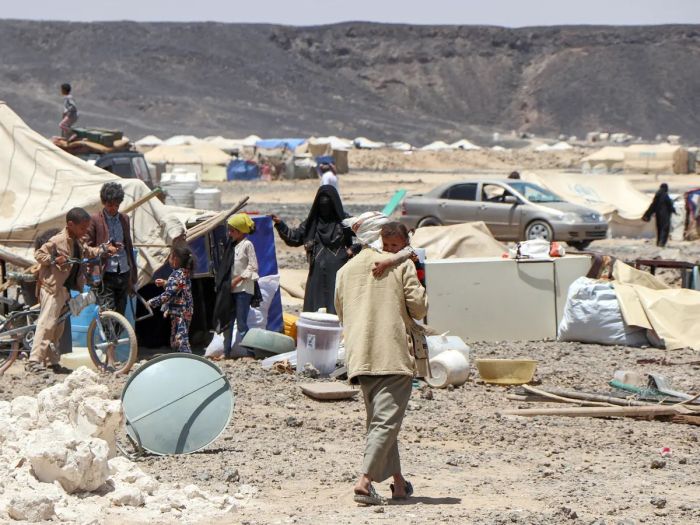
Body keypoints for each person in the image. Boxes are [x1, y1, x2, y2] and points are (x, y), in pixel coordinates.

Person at [334, 218, 428, 506]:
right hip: (392, 353)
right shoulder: (401, 265)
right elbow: (419, 308)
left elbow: (341, 312)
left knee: (382, 421)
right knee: (386, 423)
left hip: (360, 356)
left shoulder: (345, 270)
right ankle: (364, 482)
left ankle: (399, 484)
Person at [27, 208, 117, 373]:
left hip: (65, 288)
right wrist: (54, 259)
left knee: (58, 327)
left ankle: (52, 362)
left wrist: (104, 249)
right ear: (70, 224)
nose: (85, 231)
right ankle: (34, 361)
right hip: (52, 288)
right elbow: (39, 255)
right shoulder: (58, 240)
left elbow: (89, 252)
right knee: (47, 324)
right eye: (82, 228)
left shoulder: (78, 241)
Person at [271, 185, 353, 314]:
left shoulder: (345, 222)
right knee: (315, 310)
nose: (325, 209)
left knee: (337, 308)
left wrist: (352, 250)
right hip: (316, 273)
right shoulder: (311, 223)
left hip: (338, 271)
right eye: (322, 205)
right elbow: (294, 238)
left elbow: (365, 237)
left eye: (327, 205)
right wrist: (280, 224)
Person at [86, 182, 138, 318]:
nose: (113, 208)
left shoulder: (124, 219)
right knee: (108, 315)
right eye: (110, 205)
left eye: (116, 205)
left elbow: (128, 245)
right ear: (104, 202)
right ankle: (108, 333)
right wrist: (104, 249)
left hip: (124, 272)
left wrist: (132, 274)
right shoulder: (95, 220)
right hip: (105, 274)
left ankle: (116, 333)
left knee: (121, 314)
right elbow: (86, 248)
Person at [148, 244, 195, 353]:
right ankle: (179, 358)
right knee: (176, 338)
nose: (168, 259)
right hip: (185, 310)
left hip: (180, 312)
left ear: (175, 259)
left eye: (169, 256)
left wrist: (152, 302)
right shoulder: (184, 273)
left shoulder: (176, 275)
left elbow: (168, 294)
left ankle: (188, 359)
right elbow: (179, 287)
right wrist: (165, 283)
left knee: (180, 339)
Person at [224, 213, 259, 357]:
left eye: (232, 230)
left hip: (243, 289)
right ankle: (226, 352)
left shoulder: (247, 245)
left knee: (241, 323)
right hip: (231, 289)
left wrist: (237, 280)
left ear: (240, 231)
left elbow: (253, 266)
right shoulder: (232, 246)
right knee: (228, 322)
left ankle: (251, 354)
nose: (229, 233)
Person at [643, 183, 676, 247]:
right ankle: (662, 243)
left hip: (658, 215)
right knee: (665, 229)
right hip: (665, 215)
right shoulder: (665, 195)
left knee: (659, 229)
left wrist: (648, 214)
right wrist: (673, 210)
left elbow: (653, 205)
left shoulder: (657, 195)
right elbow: (669, 204)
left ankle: (658, 242)